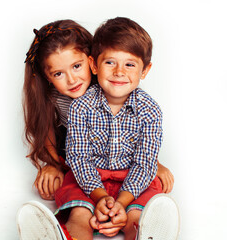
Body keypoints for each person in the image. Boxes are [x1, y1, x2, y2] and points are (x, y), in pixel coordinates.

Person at [51, 17, 179, 240]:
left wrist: (121, 203)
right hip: (89, 180)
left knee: (137, 217)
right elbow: (79, 157)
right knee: (80, 213)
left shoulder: (149, 110)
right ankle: (64, 236)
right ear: (94, 65)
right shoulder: (81, 107)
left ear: (145, 70)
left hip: (133, 182)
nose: (119, 72)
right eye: (110, 62)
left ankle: (146, 235)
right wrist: (100, 197)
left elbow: (145, 162)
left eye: (130, 64)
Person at [22, 19, 174, 203]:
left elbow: (136, 132)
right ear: (47, 77)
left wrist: (154, 164)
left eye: (77, 66)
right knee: (66, 188)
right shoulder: (53, 96)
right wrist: (52, 165)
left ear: (91, 61)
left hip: (119, 152)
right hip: (76, 152)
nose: (72, 80)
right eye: (58, 74)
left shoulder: (111, 86)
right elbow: (46, 128)